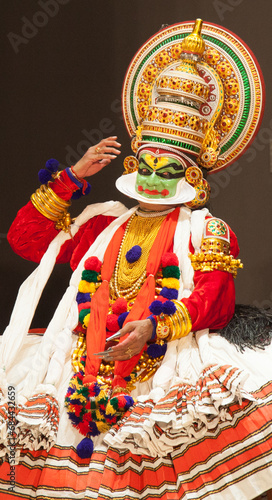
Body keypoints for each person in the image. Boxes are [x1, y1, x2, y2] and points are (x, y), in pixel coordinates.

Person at [1, 18, 272, 500]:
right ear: (132, 163)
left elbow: (216, 301)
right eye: (145, 163)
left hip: (163, 371)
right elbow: (25, 241)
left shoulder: (206, 230)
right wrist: (71, 177)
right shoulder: (103, 225)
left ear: (191, 174)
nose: (152, 176)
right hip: (78, 370)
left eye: (167, 168)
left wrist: (155, 327)